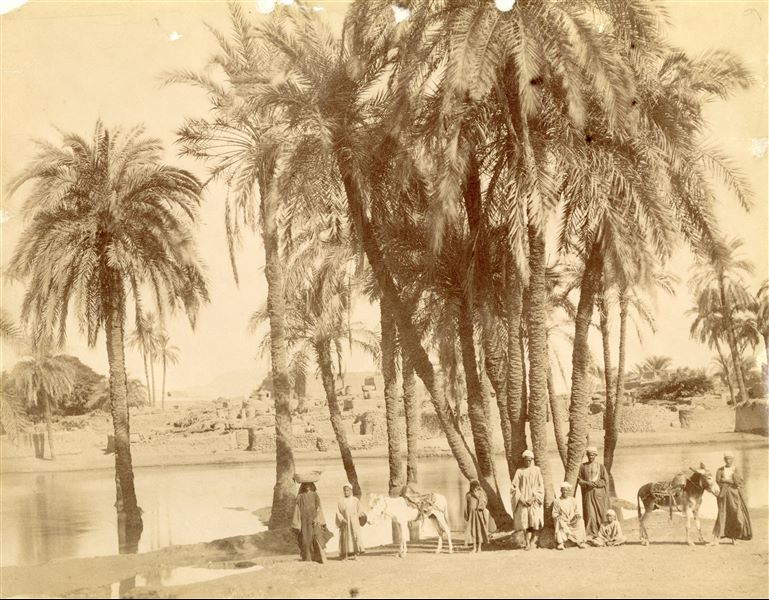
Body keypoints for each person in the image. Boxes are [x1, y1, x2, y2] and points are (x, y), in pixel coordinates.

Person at [711, 451, 752, 545]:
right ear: (724, 459)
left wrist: (725, 480)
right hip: (723, 494)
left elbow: (738, 482)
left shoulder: (736, 469)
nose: (728, 460)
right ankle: (716, 539)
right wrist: (730, 481)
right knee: (722, 514)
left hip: (734, 494)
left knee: (736, 515)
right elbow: (718, 481)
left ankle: (734, 538)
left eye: (730, 459)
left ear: (733, 459)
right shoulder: (720, 470)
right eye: (726, 459)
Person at [511, 449, 544, 550]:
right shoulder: (519, 471)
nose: (528, 462)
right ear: (523, 460)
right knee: (524, 522)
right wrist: (521, 499)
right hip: (523, 500)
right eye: (526, 460)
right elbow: (514, 487)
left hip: (534, 499)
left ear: (532, 460)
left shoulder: (537, 470)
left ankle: (533, 540)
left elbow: (540, 486)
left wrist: (534, 498)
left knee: (535, 520)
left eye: (530, 460)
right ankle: (527, 542)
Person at [577, 446, 610, 538]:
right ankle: (590, 533)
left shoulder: (601, 467)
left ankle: (601, 532)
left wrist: (596, 484)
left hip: (599, 493)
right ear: (587, 455)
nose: (591, 457)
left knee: (600, 512)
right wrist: (587, 483)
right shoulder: (582, 466)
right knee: (589, 513)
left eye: (592, 455)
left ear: (595, 455)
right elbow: (579, 479)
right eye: (589, 455)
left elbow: (605, 480)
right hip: (588, 493)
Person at [292, 482, 328, 563]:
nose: (307, 487)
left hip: (314, 520)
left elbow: (319, 508)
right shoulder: (300, 496)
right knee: (305, 538)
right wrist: (297, 523)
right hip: (304, 521)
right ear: (303, 486)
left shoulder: (315, 495)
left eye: (309, 485)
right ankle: (307, 557)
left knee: (317, 537)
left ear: (312, 486)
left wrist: (317, 519)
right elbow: (297, 510)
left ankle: (319, 557)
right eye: (306, 485)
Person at [552, 481, 586, 550]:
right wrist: (558, 516)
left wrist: (577, 515)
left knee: (581, 521)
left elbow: (576, 511)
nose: (565, 492)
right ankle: (561, 543)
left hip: (572, 520)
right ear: (561, 491)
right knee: (559, 522)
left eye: (566, 490)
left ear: (569, 491)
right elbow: (554, 513)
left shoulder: (572, 500)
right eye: (563, 490)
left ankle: (580, 542)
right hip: (563, 521)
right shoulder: (557, 501)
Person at [336, 483, 365, 560]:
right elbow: (338, 512)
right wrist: (342, 519)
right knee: (345, 537)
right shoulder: (341, 501)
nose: (346, 492)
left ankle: (356, 553)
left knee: (355, 535)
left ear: (351, 491)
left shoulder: (355, 500)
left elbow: (360, 510)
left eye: (347, 490)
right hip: (345, 522)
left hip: (354, 522)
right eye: (345, 491)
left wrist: (357, 516)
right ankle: (346, 554)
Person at [464, 479, 489, 553]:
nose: (474, 488)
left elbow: (484, 501)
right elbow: (465, 506)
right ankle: (474, 547)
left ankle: (479, 548)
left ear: (478, 486)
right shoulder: (468, 495)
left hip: (479, 514)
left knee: (479, 531)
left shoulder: (481, 493)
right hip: (471, 515)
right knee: (473, 531)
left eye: (476, 486)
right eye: (473, 486)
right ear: (470, 486)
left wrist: (481, 506)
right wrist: (466, 515)